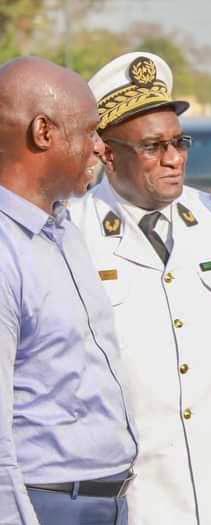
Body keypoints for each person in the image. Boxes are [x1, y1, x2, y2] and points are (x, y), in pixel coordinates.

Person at [68, 52, 211, 525]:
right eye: (153, 147)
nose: (174, 159)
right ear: (107, 153)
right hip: (130, 491)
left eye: (179, 142)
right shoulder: (72, 234)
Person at [0, 57, 137, 525]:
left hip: (102, 501)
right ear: (44, 132)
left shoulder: (60, 229)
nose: (101, 148)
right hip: (46, 505)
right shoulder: (5, 251)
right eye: (91, 131)